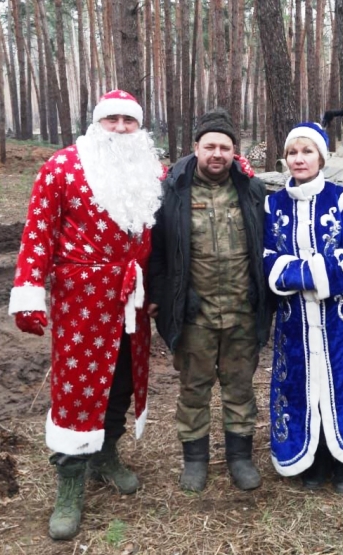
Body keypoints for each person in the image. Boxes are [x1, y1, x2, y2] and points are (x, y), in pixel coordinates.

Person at [9, 90, 164, 540]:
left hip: (132, 297)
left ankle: (105, 453)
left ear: (139, 127)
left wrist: (241, 169)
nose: (120, 127)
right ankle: (70, 480)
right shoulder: (62, 167)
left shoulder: (152, 170)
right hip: (82, 300)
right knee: (77, 387)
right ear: (97, 123)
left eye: (129, 120)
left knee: (123, 378)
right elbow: (38, 232)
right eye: (112, 119)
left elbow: (171, 220)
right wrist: (29, 292)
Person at [263, 122, 343, 494]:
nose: (299, 159)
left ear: (321, 157)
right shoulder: (273, 205)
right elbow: (268, 256)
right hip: (295, 317)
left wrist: (305, 273)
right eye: (292, 152)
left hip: (342, 315)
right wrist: (300, 272)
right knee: (300, 385)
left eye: (307, 152)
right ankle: (314, 458)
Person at [148, 109, 271, 493]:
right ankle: (195, 460)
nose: (217, 154)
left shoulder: (252, 191)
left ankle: (240, 457)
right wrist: (160, 296)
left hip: (241, 311)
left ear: (235, 151)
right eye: (210, 146)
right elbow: (156, 252)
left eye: (225, 147)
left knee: (240, 389)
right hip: (194, 315)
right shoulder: (171, 192)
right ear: (196, 147)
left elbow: (267, 245)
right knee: (194, 389)